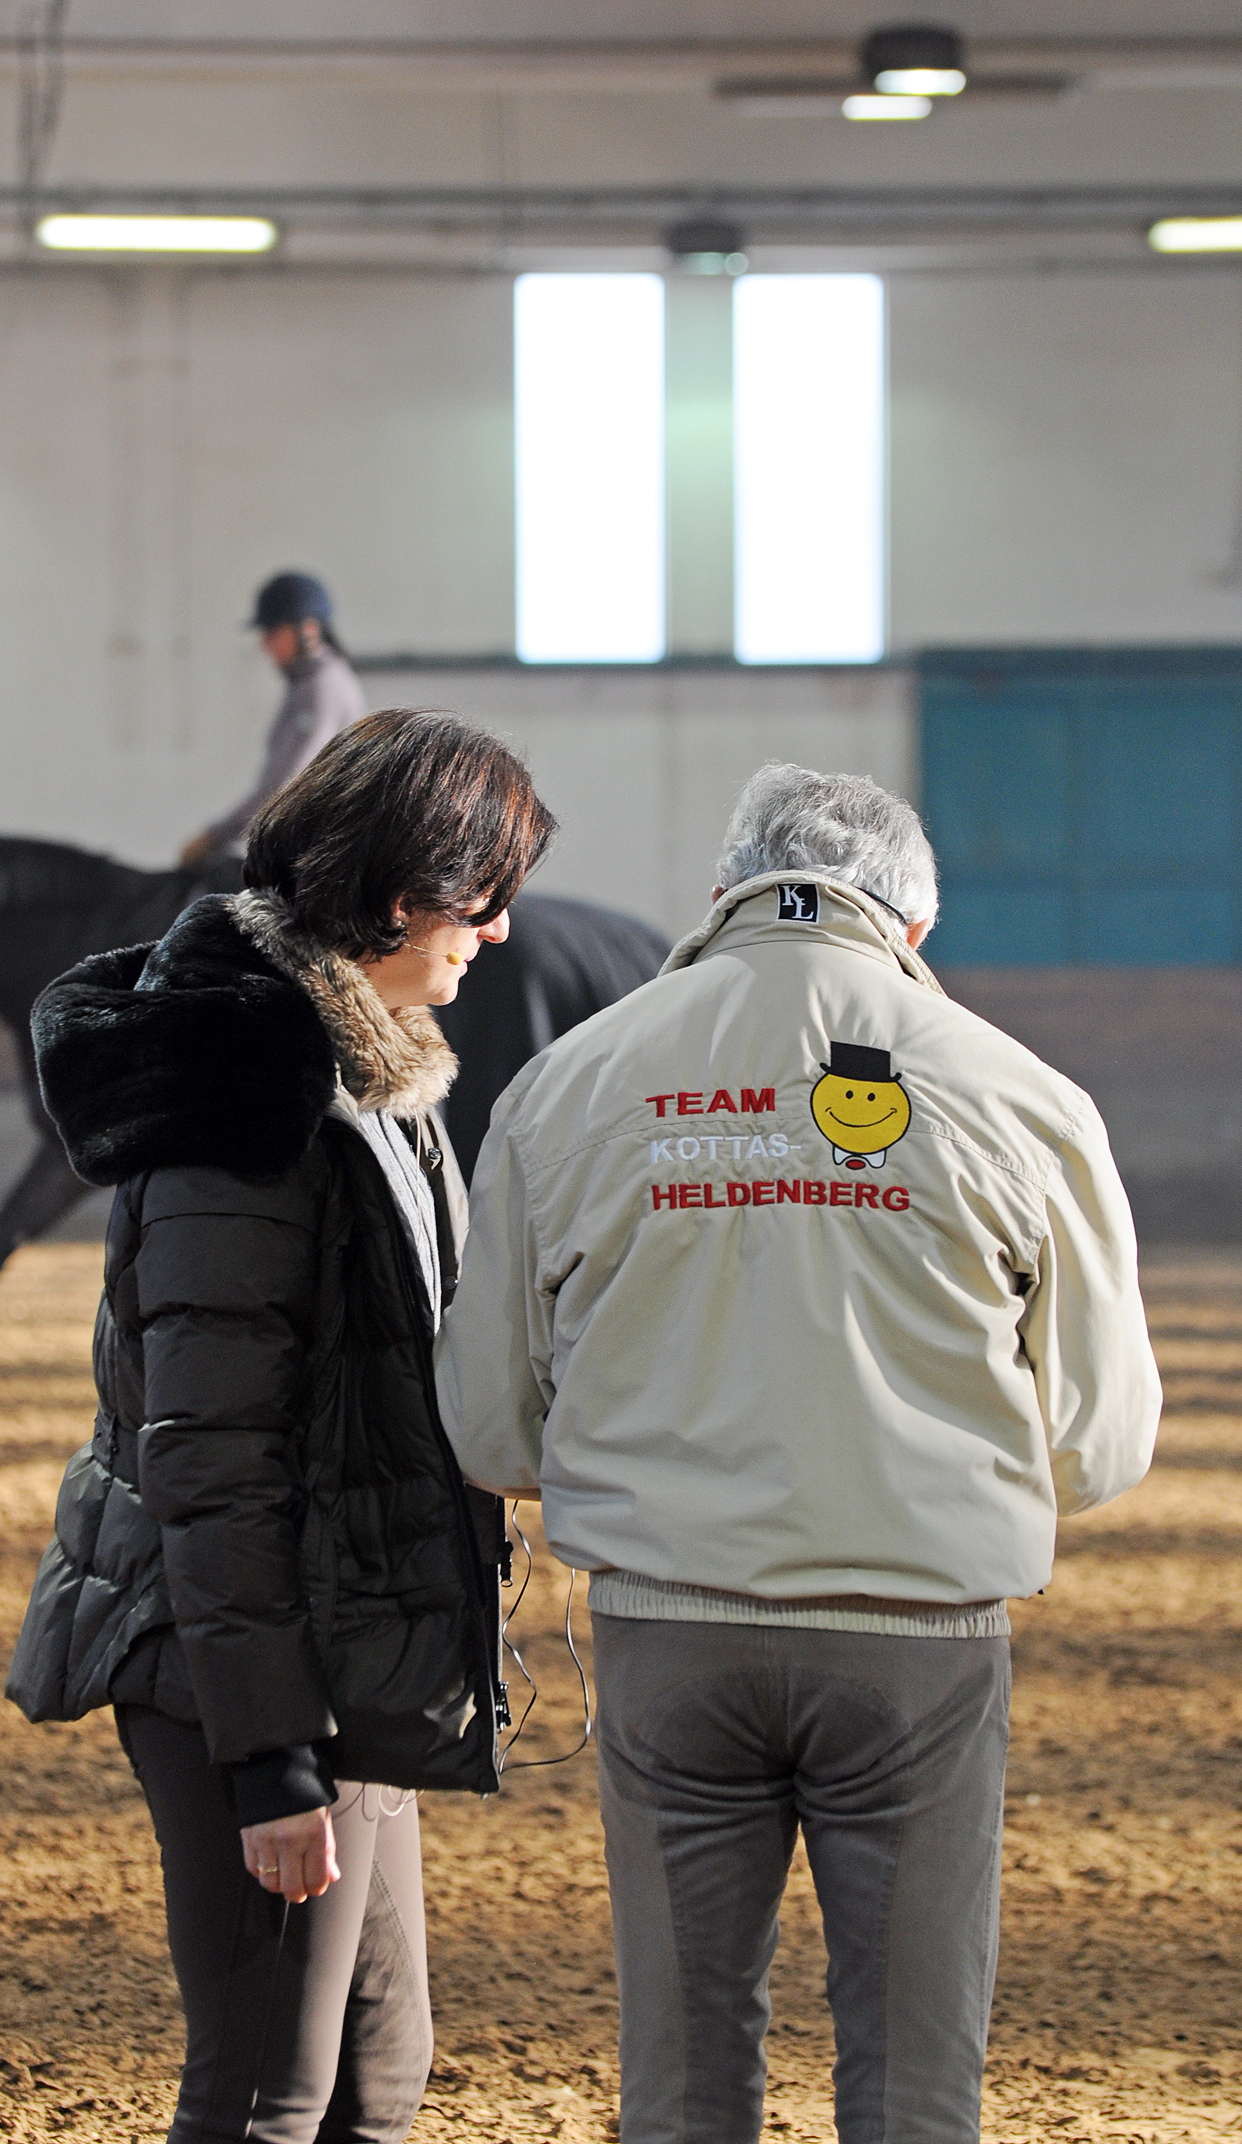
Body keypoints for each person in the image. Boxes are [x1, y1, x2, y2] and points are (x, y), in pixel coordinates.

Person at [435, 761, 1161, 2144]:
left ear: (721, 898)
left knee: (685, 2074)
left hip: (665, 1631)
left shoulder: (565, 1086)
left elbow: (485, 1423)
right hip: (919, 1644)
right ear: (914, 929)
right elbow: (1100, 1441)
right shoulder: (1030, 1099)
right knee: (914, 2079)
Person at [8, 710, 557, 2144]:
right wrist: (272, 1760)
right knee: (266, 2093)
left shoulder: (370, 1067)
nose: (496, 936)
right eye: (482, 900)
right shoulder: (251, 1092)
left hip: (338, 1639)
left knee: (378, 2074)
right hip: (236, 1670)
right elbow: (211, 1446)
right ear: (395, 897)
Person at [179, 571, 366, 868]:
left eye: (273, 633)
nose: (265, 645)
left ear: (308, 629)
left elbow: (288, 787)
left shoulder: (322, 687)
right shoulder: (306, 683)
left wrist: (215, 836)